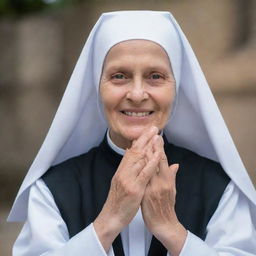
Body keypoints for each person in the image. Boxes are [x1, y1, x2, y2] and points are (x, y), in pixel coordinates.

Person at [9, 11, 256, 256]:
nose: (137, 94)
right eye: (119, 76)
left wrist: (171, 230)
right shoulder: (53, 189)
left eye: (155, 77)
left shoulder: (219, 187)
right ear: (97, 86)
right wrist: (109, 221)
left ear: (177, 87)